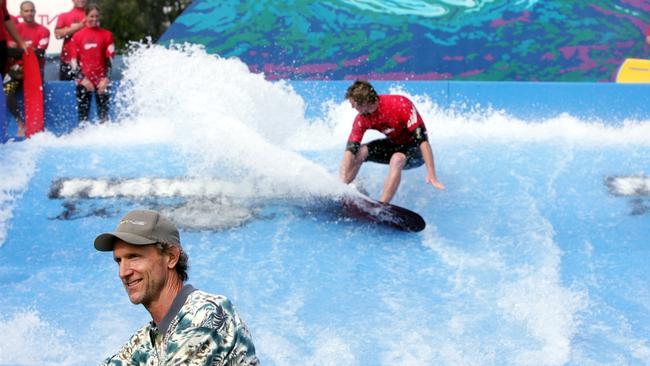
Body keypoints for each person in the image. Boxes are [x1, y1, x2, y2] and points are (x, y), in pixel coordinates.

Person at [94, 209, 259, 365]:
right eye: (119, 261)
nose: (123, 272)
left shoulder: (206, 313)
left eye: (134, 257)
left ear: (171, 257)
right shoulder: (147, 339)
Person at [340, 80, 445, 203]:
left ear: (365, 102)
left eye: (354, 104)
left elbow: (423, 142)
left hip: (415, 150)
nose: (352, 107)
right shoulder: (362, 118)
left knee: (397, 158)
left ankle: (382, 206)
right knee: (361, 151)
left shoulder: (400, 104)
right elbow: (350, 150)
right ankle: (342, 189)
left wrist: (432, 174)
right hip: (395, 144)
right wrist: (341, 180)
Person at [5, 1, 49, 138]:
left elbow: (40, 54)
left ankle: (37, 128)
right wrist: (26, 51)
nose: (29, 13)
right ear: (21, 13)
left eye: (31, 10)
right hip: (17, 69)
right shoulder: (14, 30)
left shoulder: (43, 30)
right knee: (6, 92)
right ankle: (20, 123)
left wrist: (20, 50)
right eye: (26, 11)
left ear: (35, 12)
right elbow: (8, 50)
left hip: (34, 71)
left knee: (37, 97)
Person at [69, 4, 114, 123]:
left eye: (97, 16)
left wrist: (105, 79)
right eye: (91, 16)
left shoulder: (107, 35)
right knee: (82, 118)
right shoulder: (77, 36)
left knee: (104, 117)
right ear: (86, 16)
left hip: (102, 81)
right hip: (84, 81)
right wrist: (82, 79)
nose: (94, 19)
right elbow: (73, 62)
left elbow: (110, 60)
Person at [54, 0, 86, 80]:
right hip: (67, 61)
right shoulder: (64, 16)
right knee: (66, 90)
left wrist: (68, 30)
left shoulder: (92, 16)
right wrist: (79, 27)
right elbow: (58, 34)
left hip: (88, 62)